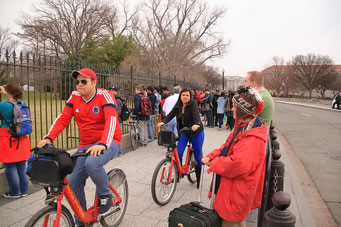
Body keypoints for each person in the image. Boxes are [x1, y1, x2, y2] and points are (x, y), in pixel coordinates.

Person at [37, 68, 122, 226]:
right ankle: (81, 220)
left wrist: (103, 143)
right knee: (72, 180)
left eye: (84, 81)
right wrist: (49, 138)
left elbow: (111, 120)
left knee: (92, 163)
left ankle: (105, 196)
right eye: (77, 82)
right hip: (85, 145)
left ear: (94, 82)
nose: (79, 85)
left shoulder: (104, 95)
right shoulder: (75, 96)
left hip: (109, 141)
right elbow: (63, 118)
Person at [202, 86, 267, 227]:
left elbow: (238, 164)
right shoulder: (244, 126)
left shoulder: (252, 137)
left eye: (235, 107)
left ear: (243, 110)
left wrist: (213, 163)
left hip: (236, 193)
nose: (232, 109)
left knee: (233, 223)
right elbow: (227, 146)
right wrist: (212, 155)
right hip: (232, 190)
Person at [158, 88, 204, 189]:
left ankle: (199, 179)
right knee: (178, 153)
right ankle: (179, 172)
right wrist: (164, 121)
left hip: (196, 131)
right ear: (180, 96)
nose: (185, 97)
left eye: (187, 95)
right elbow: (171, 114)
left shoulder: (193, 104)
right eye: (183, 95)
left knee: (197, 155)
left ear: (190, 96)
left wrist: (196, 124)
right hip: (184, 131)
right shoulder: (178, 104)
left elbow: (196, 114)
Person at [0, 83, 31, 199]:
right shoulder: (23, 104)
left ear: (9, 92)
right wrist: (5, 92)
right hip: (21, 139)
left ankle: (15, 192)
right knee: (21, 165)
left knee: (10, 166)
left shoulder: (3, 106)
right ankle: (24, 190)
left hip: (8, 138)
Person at [109, 85, 125, 155]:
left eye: (112, 90)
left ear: (115, 91)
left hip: (118, 121)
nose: (110, 91)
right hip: (116, 120)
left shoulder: (117, 100)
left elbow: (118, 111)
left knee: (116, 138)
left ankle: (119, 152)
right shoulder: (113, 98)